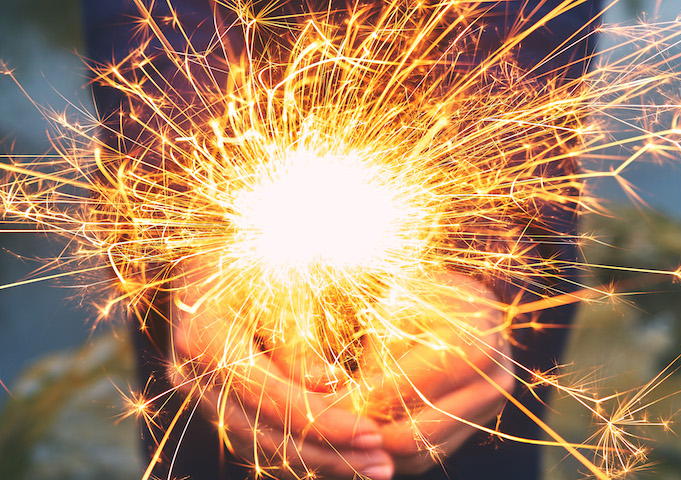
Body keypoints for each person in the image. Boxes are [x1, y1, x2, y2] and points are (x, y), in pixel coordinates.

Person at [82, 1, 601, 478]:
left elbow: (529, 42)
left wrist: (474, 250)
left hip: (474, 375)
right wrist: (200, 218)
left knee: (469, 435)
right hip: (220, 345)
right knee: (221, 429)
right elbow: (152, 24)